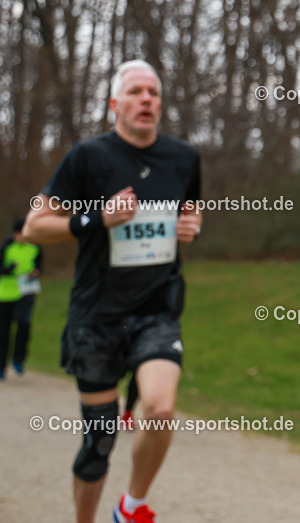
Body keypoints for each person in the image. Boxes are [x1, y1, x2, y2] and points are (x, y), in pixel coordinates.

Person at [24, 59, 202, 523]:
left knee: (160, 409)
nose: (146, 100)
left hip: (156, 311)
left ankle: (131, 506)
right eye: (135, 92)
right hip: (97, 315)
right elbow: (35, 226)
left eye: (153, 93)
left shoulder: (184, 157)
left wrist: (191, 226)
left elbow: (189, 212)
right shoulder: (88, 157)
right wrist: (97, 218)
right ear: (114, 104)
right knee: (99, 440)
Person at [0, 218, 43, 378]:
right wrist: (10, 268)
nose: (22, 237)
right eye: (20, 233)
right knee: (4, 330)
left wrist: (36, 272)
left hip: (26, 291)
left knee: (24, 324)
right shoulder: (6, 247)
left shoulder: (35, 247)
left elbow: (39, 266)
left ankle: (18, 360)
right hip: (7, 293)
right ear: (15, 234)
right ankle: (1, 365)